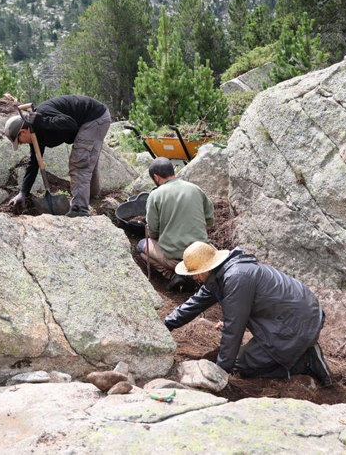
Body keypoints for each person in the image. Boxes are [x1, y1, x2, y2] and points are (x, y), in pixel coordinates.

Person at [164, 241, 334, 386]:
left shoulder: (236, 278)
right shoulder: (222, 274)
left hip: (297, 322)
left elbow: (233, 329)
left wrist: (221, 372)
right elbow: (195, 303)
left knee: (242, 364)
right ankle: (301, 352)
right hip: (292, 317)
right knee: (242, 358)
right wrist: (166, 325)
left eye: (195, 274)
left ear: (204, 270)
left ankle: (306, 361)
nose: (194, 279)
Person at [4, 95, 112, 217]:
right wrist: (23, 192)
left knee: (79, 163)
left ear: (23, 132)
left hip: (94, 119)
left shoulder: (42, 115)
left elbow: (70, 123)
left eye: (20, 141)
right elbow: (34, 163)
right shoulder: (34, 134)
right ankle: (91, 196)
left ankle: (79, 209)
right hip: (92, 120)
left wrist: (43, 121)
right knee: (87, 160)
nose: (22, 143)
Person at [137, 157, 214, 288]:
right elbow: (210, 220)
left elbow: (153, 231)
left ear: (156, 177)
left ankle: (172, 275)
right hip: (202, 253)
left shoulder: (155, 195)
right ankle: (198, 275)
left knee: (141, 246)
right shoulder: (195, 188)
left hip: (176, 258)